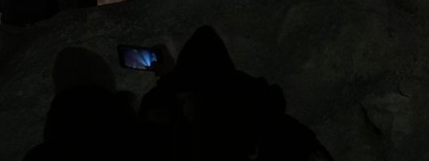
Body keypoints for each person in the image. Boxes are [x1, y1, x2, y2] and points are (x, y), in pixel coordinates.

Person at [137, 25, 333, 161]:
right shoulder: (274, 124)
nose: (183, 109)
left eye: (186, 99)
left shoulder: (216, 141)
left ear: (204, 96)